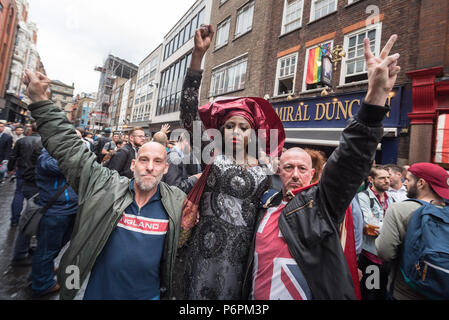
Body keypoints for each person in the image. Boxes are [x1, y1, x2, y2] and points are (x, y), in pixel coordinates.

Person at [241, 34, 402, 300]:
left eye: (302, 169)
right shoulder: (265, 207)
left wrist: (375, 97)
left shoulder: (321, 207)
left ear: (313, 173)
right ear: (278, 171)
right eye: (288, 167)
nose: (294, 174)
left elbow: (349, 160)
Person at [21, 68, 187, 300]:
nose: (150, 167)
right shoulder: (107, 188)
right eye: (144, 160)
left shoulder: (176, 201)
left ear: (166, 168)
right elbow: (70, 150)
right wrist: (40, 100)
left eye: (158, 161)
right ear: (132, 165)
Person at [177, 25, 286, 300]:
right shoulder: (212, 155)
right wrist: (197, 57)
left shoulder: (266, 170)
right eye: (229, 126)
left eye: (243, 127)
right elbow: (189, 112)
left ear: (253, 134)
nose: (235, 132)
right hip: (203, 252)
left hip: (243, 259)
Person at [375, 162, 449, 300]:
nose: (404, 184)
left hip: (405, 292)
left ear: (421, 183)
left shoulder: (399, 209)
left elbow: (385, 252)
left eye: (408, 180)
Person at [31, 148, 78, 298]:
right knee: (46, 250)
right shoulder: (46, 157)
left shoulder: (64, 154)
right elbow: (66, 167)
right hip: (55, 212)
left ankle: (41, 271)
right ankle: (42, 285)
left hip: (69, 210)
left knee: (55, 247)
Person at [358, 165, 394, 300]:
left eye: (388, 178)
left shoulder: (391, 198)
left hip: (386, 256)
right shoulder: (363, 197)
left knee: (382, 293)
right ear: (371, 179)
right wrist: (391, 229)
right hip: (370, 255)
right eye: (382, 178)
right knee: (369, 293)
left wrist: (381, 227)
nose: (386, 181)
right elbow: (369, 224)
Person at [7, 122, 42, 228]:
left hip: (22, 170)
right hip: (37, 172)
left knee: (19, 194)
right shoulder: (44, 143)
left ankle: (15, 220)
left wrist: (10, 169)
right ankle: (31, 223)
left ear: (31, 130)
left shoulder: (22, 141)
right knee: (35, 197)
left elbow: (13, 156)